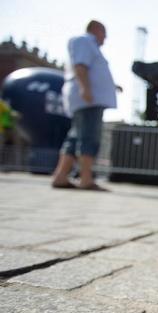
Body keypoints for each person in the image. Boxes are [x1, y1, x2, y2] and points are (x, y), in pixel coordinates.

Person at [52, 20, 119, 190]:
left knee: (75, 138)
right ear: (96, 29)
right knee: (89, 137)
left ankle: (60, 176)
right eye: (104, 33)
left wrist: (112, 86)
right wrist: (85, 89)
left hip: (85, 98)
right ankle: (86, 179)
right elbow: (80, 65)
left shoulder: (88, 44)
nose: (106, 38)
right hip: (88, 99)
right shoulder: (85, 41)